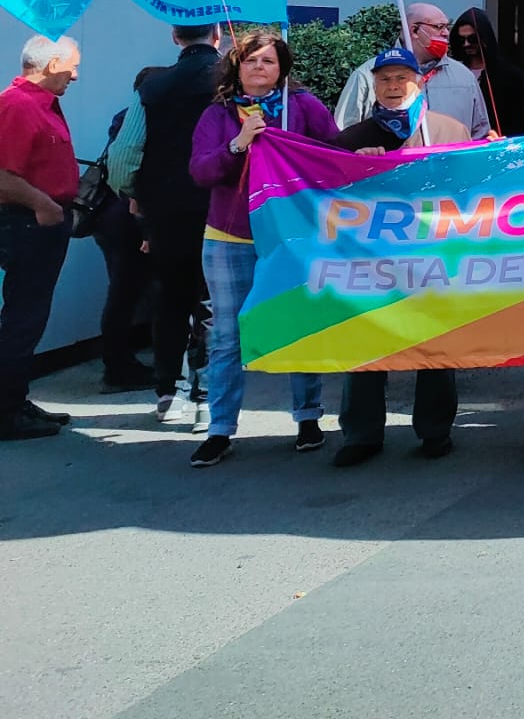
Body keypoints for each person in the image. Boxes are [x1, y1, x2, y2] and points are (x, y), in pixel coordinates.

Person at [188, 31, 341, 467]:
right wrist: (239, 144)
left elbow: (333, 157)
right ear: (237, 66)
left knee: (300, 324)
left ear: (282, 69)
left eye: (269, 61)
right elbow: (200, 171)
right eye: (251, 59)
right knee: (226, 336)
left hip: (290, 236)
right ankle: (220, 429)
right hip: (229, 236)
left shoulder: (304, 108)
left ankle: (308, 417)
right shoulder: (217, 115)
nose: (259, 67)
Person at [330, 48, 470, 466]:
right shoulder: (351, 139)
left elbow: (475, 191)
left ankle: (435, 430)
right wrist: (355, 170)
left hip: (433, 258)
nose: (393, 87)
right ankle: (361, 434)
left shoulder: (449, 131)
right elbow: (330, 200)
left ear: (420, 82)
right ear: (374, 86)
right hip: (370, 263)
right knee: (366, 343)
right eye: (385, 80)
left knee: (434, 346)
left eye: (402, 79)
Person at [107, 24, 223, 418]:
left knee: (171, 298)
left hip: (166, 211)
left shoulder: (152, 89)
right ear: (219, 35)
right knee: (211, 303)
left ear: (176, 38)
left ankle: (167, 393)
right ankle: (205, 396)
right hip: (220, 207)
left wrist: (137, 196)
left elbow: (122, 157)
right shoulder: (233, 81)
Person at [0, 36, 82, 441]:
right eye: (72, 66)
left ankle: (15, 399)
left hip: (43, 220)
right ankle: (7, 410)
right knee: (23, 317)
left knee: (30, 316)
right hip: (29, 222)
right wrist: (44, 205)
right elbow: (3, 174)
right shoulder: (17, 105)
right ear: (51, 65)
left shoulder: (40, 105)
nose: (76, 75)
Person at [96, 64, 163, 392]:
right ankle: (119, 368)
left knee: (122, 292)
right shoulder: (146, 118)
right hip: (131, 215)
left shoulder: (123, 116)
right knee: (126, 293)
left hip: (112, 215)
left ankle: (119, 363)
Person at [336, 3, 489, 138]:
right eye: (439, 27)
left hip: (448, 169)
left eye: (447, 27)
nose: (446, 34)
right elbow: (342, 136)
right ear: (415, 30)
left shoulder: (464, 77)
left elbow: (480, 134)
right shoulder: (367, 75)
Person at [450, 6, 524, 136]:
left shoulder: (509, 75)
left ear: (485, 38)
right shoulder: (454, 72)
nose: (466, 44)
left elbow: (517, 120)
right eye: (462, 40)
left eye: (472, 39)